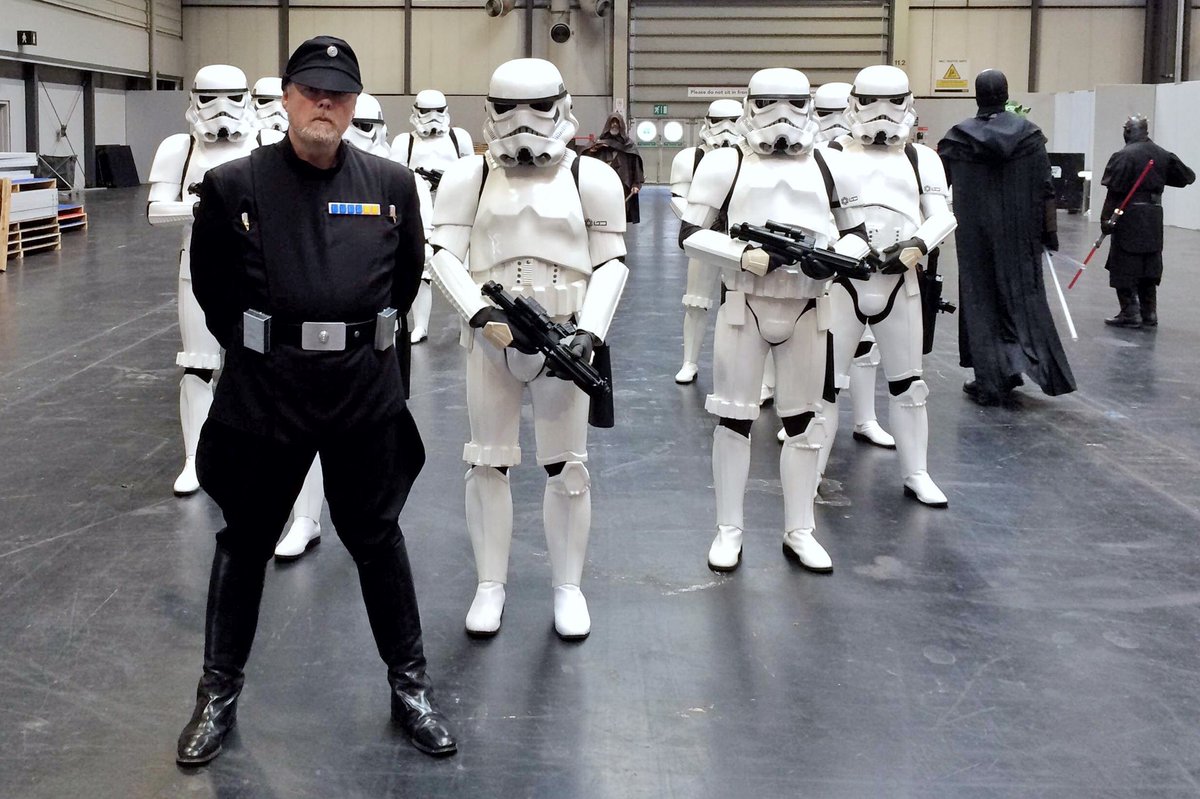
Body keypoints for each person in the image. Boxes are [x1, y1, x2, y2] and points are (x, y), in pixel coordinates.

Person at [176, 35, 456, 765]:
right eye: (311, 90)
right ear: (289, 96)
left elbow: (405, 281)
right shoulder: (235, 185)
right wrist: (268, 344)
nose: (324, 102)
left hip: (363, 392)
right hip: (267, 394)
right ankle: (217, 691)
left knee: (377, 538)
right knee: (244, 542)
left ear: (355, 103)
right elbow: (212, 290)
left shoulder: (392, 185)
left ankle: (412, 685)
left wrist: (360, 347)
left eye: (338, 92)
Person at [429, 58, 628, 639]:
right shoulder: (471, 177)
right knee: (487, 460)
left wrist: (590, 331)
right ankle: (490, 584)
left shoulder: (592, 178)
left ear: (563, 106)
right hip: (492, 339)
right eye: (508, 108)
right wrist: (479, 314)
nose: (524, 122)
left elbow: (611, 263)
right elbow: (441, 255)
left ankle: (568, 587)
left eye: (539, 107)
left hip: (565, 335)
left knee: (568, 467)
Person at [681, 67, 870, 573]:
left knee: (805, 421)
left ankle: (800, 528)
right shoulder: (726, 165)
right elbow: (690, 234)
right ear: (749, 105)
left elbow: (859, 234)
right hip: (744, 303)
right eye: (769, 104)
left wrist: (831, 256)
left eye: (793, 103)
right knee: (734, 419)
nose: (782, 117)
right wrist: (742, 256)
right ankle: (728, 528)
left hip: (809, 304)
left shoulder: (833, 166)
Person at [273, 91, 433, 561]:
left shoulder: (393, 178)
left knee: (373, 504)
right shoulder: (268, 174)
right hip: (291, 350)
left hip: (367, 350)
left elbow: (409, 264)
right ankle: (304, 517)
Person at [818, 66, 957, 507]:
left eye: (894, 101)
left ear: (909, 103)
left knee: (909, 384)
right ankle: (810, 471)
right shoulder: (830, 153)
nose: (883, 113)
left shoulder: (922, 158)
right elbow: (816, 215)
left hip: (901, 281)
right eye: (872, 102)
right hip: (843, 280)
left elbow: (942, 213)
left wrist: (917, 245)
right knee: (824, 387)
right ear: (854, 103)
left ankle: (916, 471)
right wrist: (839, 246)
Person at [147, 65, 280, 496]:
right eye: (209, 98)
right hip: (198, 271)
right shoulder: (179, 148)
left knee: (264, 365)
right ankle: (195, 459)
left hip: (261, 275)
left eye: (232, 97)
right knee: (198, 366)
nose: (221, 109)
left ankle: (263, 454)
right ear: (193, 100)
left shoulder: (269, 143)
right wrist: (203, 207)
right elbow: (155, 211)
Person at [937, 69, 1075, 406]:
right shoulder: (1028, 136)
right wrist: (1049, 235)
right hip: (1020, 236)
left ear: (977, 95)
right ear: (1006, 94)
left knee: (981, 300)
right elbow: (1046, 189)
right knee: (1021, 300)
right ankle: (1018, 366)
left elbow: (940, 186)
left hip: (975, 239)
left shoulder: (957, 140)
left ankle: (991, 379)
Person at [390, 89, 475, 343]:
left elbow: (472, 172)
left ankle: (468, 322)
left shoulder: (459, 138)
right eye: (427, 111)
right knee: (420, 268)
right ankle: (422, 326)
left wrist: (448, 178)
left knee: (464, 269)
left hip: (455, 209)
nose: (433, 117)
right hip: (420, 211)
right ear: (416, 111)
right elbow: (397, 176)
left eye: (439, 111)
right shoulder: (405, 142)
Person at [669, 98, 743, 385]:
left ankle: (751, 372)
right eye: (719, 121)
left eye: (733, 121)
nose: (726, 129)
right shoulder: (690, 158)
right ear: (706, 123)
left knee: (745, 303)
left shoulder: (751, 161)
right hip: (704, 237)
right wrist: (699, 226)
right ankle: (690, 361)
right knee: (695, 302)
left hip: (740, 239)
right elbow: (678, 198)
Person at [1099, 114, 1195, 328]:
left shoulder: (1123, 155)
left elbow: (1114, 192)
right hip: (1153, 216)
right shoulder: (1162, 154)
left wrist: (1105, 219)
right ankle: (1149, 313)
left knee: (1123, 263)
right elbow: (1187, 177)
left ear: (1128, 131)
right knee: (1149, 264)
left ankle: (1129, 313)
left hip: (1129, 214)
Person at [585, 112, 645, 223]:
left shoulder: (628, 145)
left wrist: (636, 184)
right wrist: (593, 149)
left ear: (621, 125)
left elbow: (635, 163)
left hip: (622, 183)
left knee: (619, 213)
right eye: (612, 122)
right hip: (602, 184)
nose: (614, 125)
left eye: (617, 122)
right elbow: (586, 159)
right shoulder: (599, 143)